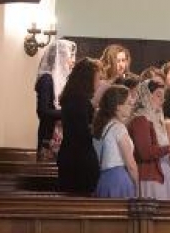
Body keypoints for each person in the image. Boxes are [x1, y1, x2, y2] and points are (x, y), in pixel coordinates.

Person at [129, 79, 170, 200]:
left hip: (162, 172)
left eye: (163, 96)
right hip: (150, 175)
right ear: (146, 96)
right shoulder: (140, 119)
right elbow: (145, 153)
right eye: (158, 95)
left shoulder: (155, 119)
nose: (162, 99)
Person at [56, 58, 101, 194]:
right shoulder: (79, 101)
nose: (99, 82)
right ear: (88, 78)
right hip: (80, 161)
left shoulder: (73, 98)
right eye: (98, 78)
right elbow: (82, 133)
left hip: (71, 156)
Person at [92, 85, 138, 198]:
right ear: (118, 107)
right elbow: (131, 164)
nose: (131, 106)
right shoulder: (118, 128)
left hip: (104, 179)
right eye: (128, 103)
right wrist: (137, 184)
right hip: (119, 180)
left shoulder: (102, 126)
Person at [35, 39, 76, 159]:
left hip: (65, 136)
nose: (73, 61)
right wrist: (69, 114)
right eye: (70, 56)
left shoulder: (66, 80)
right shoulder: (47, 80)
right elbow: (43, 111)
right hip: (49, 137)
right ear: (60, 56)